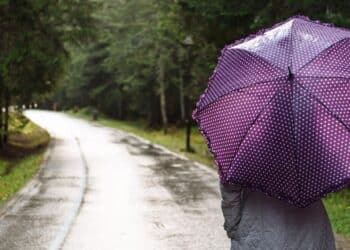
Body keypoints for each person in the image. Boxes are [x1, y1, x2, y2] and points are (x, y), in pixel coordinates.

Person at [219, 182, 336, 250]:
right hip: (311, 227)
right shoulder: (313, 146)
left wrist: (233, 227)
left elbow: (230, 192)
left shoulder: (246, 150)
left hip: (259, 226)